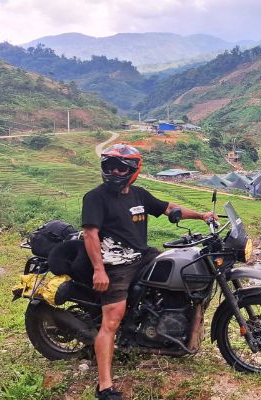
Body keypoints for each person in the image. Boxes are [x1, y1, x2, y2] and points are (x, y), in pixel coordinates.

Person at [82, 144, 215, 400]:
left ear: (133, 170)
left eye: (121, 167)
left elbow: (168, 208)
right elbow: (90, 234)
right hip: (115, 263)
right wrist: (99, 270)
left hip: (141, 255)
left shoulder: (139, 195)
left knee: (176, 269)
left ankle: (163, 324)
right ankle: (105, 386)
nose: (114, 171)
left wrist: (202, 216)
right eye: (110, 166)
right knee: (111, 321)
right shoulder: (95, 197)